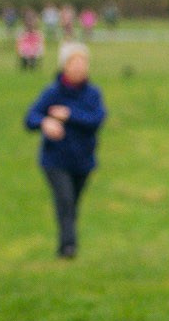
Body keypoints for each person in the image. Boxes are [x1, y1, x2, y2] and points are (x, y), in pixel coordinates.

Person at [24, 42, 108, 259]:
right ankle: (68, 247)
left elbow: (97, 119)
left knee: (71, 205)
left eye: (83, 62)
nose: (80, 67)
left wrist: (69, 115)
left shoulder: (92, 93)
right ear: (65, 65)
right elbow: (30, 117)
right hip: (55, 161)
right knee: (65, 200)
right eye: (74, 62)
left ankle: (67, 242)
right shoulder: (53, 92)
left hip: (83, 161)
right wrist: (45, 123)